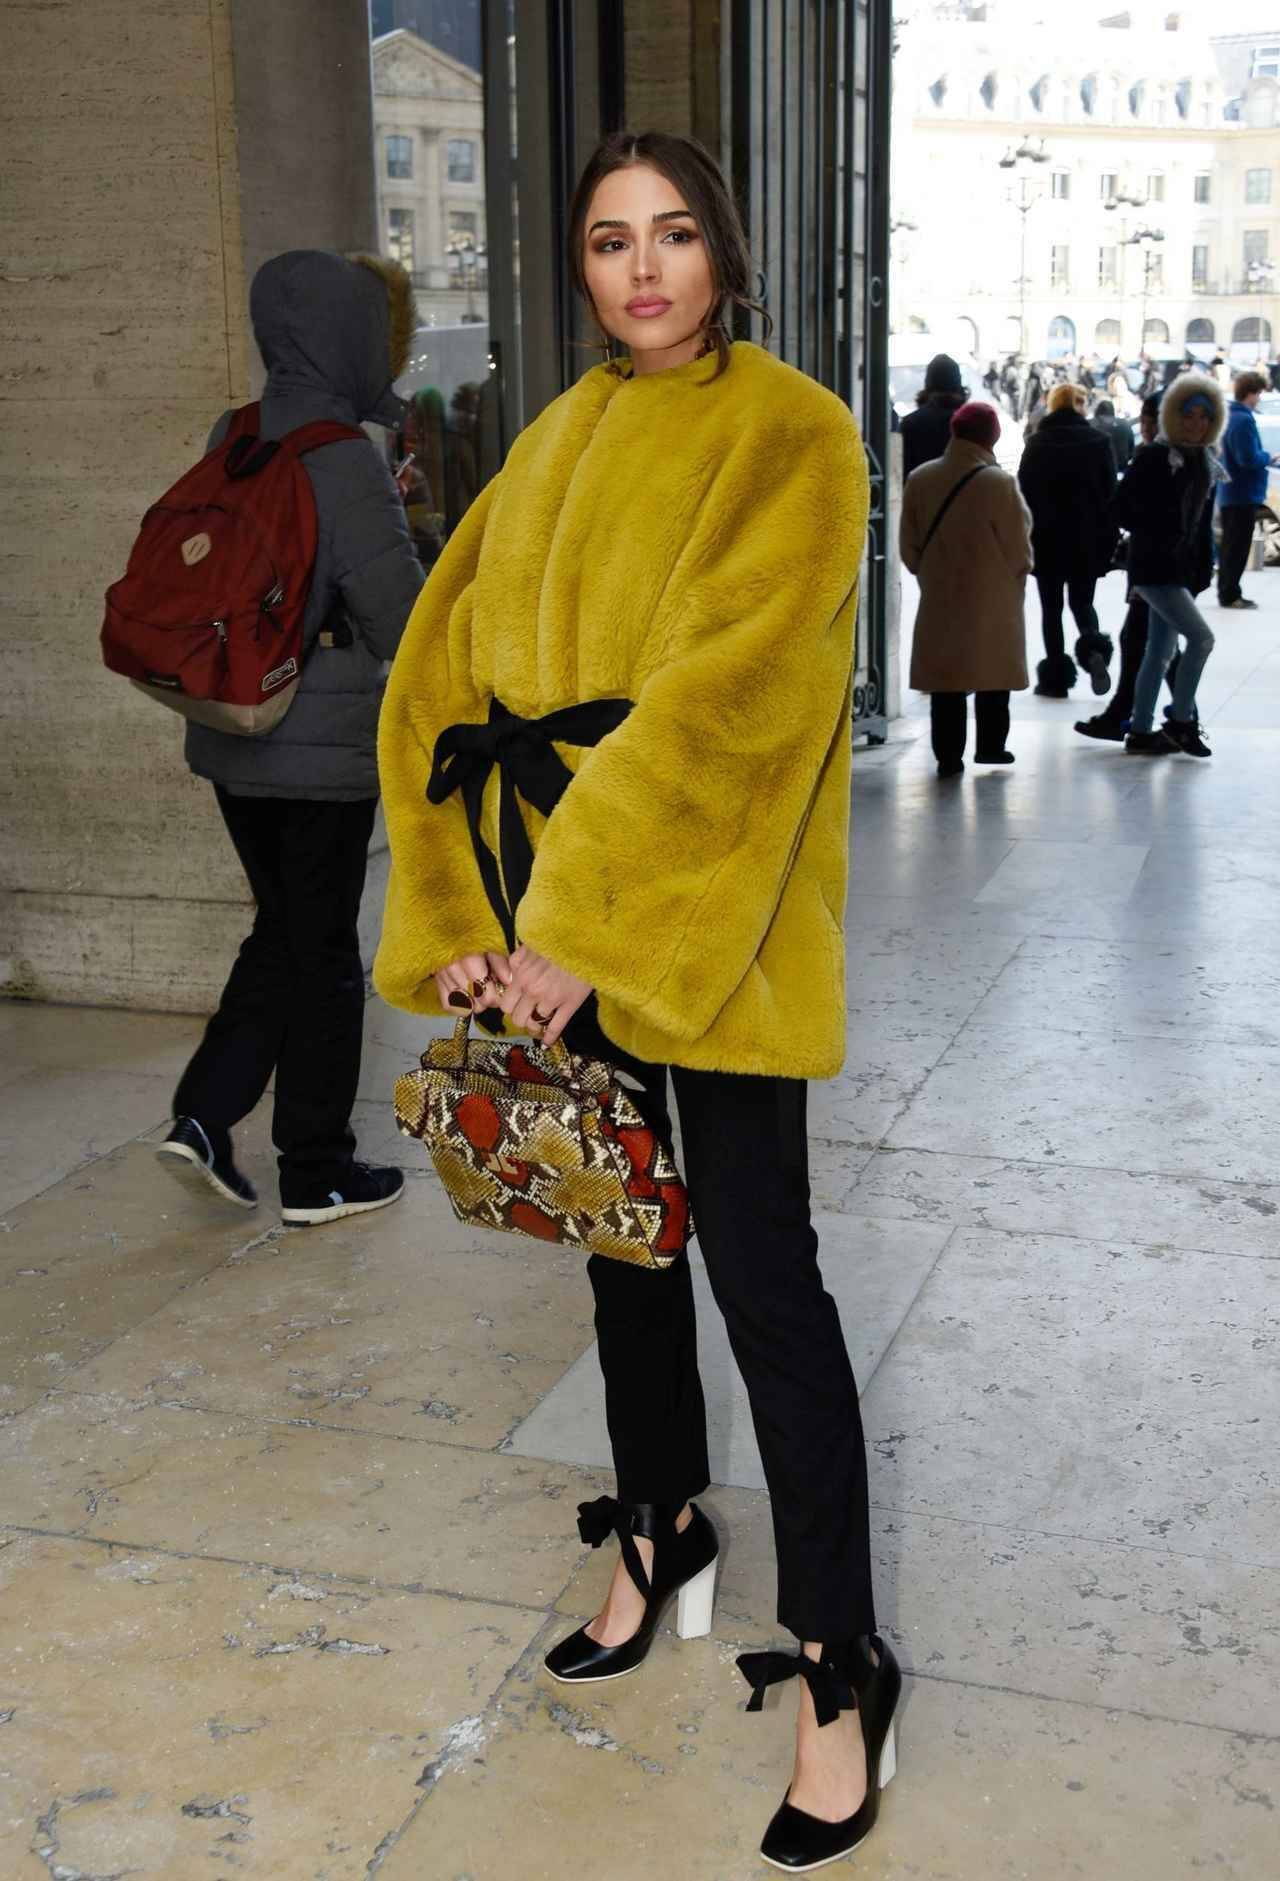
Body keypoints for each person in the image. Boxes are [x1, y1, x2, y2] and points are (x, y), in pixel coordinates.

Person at [375, 130, 900, 1872]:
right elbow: (440, 680)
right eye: (611, 241)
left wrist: (588, 924)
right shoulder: (555, 434)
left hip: (708, 924)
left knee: (765, 1279)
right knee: (621, 1242)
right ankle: (661, 1526)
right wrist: (469, 916)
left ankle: (839, 1660)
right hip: (550, 917)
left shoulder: (795, 432)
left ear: (724, 254)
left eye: (674, 234)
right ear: (582, 269)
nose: (645, 268)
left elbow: (735, 707)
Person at [158, 250, 424, 1223]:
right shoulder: (343, 456)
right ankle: (316, 1169)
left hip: (231, 730)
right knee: (325, 958)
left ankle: (202, 1113)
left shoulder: (232, 431)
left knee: (282, 927)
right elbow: (401, 619)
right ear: (348, 337)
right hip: (319, 752)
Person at [901, 400, 1031, 776]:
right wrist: (1012, 578)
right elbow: (1020, 550)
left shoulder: (921, 478)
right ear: (992, 437)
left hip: (940, 596)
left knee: (946, 680)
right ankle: (991, 747)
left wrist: (930, 572)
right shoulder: (1000, 484)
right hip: (993, 598)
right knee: (993, 674)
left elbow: (908, 546)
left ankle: (948, 755)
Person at [1117, 375, 1225, 757]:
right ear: (1174, 416)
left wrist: (1203, 566)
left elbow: (1202, 524)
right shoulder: (1155, 457)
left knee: (1160, 650)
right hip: (1153, 567)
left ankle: (1141, 730)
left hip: (1177, 570)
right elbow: (1122, 508)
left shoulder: (1203, 460)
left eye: (1204, 416)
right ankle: (1180, 722)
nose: (1196, 423)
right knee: (1201, 639)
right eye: (1189, 415)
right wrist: (1159, 523)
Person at [1074, 393, 1181, 743]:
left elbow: (1125, 508)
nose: (1145, 426)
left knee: (1145, 640)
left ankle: (1160, 716)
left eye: (1151, 419)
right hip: (1161, 564)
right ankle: (1156, 716)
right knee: (1155, 641)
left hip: (1153, 565)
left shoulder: (1156, 456)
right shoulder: (1183, 455)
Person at [1017, 382, 1117, 697]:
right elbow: (1110, 494)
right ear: (1079, 406)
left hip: (1046, 540)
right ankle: (1094, 650)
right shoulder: (1099, 441)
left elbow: (1023, 494)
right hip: (1087, 539)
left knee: (1052, 609)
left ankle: (1056, 679)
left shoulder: (1037, 443)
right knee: (1082, 603)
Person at [1217, 368, 1277, 609]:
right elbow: (1248, 458)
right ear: (1250, 393)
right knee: (1237, 547)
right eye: (1258, 393)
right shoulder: (1243, 420)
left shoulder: (1230, 417)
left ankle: (1227, 590)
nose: (1259, 398)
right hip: (1243, 493)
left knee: (1231, 546)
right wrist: (1268, 457)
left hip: (1231, 492)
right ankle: (1231, 593)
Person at [901, 353, 968, 478]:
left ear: (928, 382)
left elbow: (905, 473)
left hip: (923, 488)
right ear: (958, 383)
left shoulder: (911, 423)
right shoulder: (970, 423)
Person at [1090, 396, 1135, 473]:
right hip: (1121, 468)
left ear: (1096, 412)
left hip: (1097, 470)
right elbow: (1131, 451)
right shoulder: (1125, 423)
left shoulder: (1090, 424)